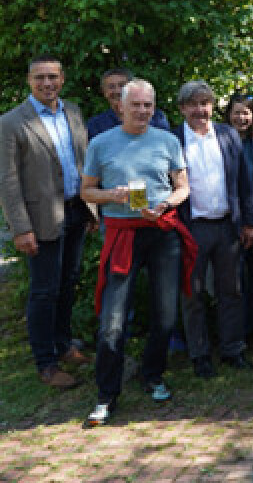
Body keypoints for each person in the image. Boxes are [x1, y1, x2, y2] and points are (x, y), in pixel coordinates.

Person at [81, 78, 194, 427]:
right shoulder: (100, 143)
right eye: (136, 105)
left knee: (164, 317)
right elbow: (86, 192)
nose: (143, 111)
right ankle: (106, 395)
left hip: (161, 233)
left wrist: (165, 205)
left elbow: (183, 187)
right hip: (122, 235)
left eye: (148, 105)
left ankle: (152, 375)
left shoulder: (168, 140)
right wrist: (111, 196)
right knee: (112, 323)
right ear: (121, 106)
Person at [0, 55, 95, 391]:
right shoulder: (11, 123)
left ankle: (64, 344)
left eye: (53, 77)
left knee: (68, 281)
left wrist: (90, 208)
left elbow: (84, 160)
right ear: (29, 80)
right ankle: (46, 362)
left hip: (75, 210)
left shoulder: (73, 112)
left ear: (62, 78)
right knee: (44, 291)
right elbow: (8, 181)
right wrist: (20, 228)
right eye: (40, 77)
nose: (47, 83)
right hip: (39, 219)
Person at [172, 81, 253, 378]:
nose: (200, 110)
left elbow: (244, 182)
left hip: (227, 227)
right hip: (190, 228)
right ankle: (200, 354)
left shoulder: (228, 134)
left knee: (231, 290)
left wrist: (249, 221)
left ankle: (233, 349)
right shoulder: (173, 139)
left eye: (205, 103)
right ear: (182, 109)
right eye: (193, 104)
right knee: (192, 294)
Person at [224, 94, 253, 340]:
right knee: (234, 278)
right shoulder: (220, 141)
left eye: (246, 113)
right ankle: (237, 331)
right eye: (236, 112)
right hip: (231, 219)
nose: (241, 118)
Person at [86, 68, 170, 139]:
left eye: (122, 85)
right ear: (104, 92)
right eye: (111, 87)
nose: (117, 91)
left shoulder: (156, 117)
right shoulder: (95, 125)